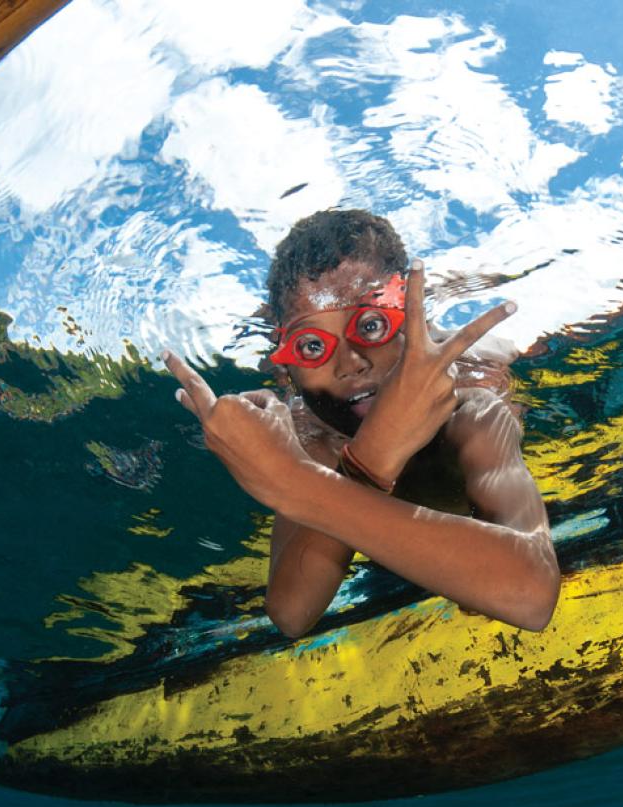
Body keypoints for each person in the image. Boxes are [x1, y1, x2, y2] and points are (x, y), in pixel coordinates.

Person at [163, 209, 559, 637]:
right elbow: (292, 613)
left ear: (414, 322)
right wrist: (373, 455)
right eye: (311, 346)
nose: (350, 363)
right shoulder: (311, 431)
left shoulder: (472, 405)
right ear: (286, 374)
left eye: (372, 326)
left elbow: (531, 597)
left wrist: (293, 482)